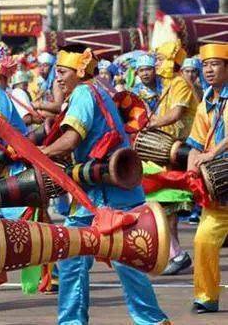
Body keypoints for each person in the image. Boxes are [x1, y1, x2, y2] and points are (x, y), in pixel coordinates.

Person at [40, 48, 169, 325]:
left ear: (80, 71)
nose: (58, 78)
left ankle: (152, 321)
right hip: (95, 194)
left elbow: (72, 139)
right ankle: (73, 322)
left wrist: (41, 152)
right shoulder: (93, 92)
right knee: (73, 257)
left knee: (126, 261)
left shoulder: (85, 93)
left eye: (62, 72)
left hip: (109, 195)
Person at [132, 44, 198, 275]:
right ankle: (174, 254)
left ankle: (176, 254)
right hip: (168, 152)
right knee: (164, 206)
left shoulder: (179, 82)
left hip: (183, 151)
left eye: (159, 59)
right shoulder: (167, 85)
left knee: (162, 205)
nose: (156, 64)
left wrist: (151, 124)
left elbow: (177, 113)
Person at [186, 43, 228, 314]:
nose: (209, 70)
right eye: (206, 65)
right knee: (203, 240)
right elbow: (196, 144)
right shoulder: (206, 104)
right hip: (220, 186)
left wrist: (212, 153)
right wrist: (191, 174)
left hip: (220, 165)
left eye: (215, 64)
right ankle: (206, 296)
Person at [31, 52, 64, 118]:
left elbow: (59, 107)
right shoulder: (43, 83)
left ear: (52, 67)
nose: (41, 68)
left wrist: (38, 105)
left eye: (45, 65)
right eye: (40, 65)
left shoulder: (56, 82)